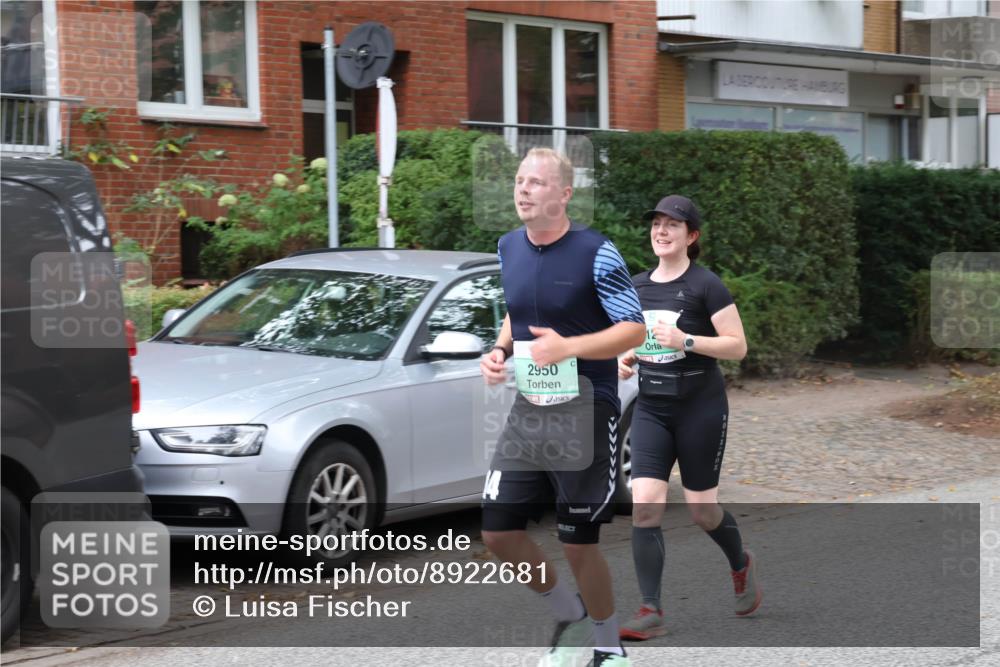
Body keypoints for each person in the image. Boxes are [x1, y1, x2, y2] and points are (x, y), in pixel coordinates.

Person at [480, 147, 646, 667]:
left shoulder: (596, 252)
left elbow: (634, 328)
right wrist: (500, 349)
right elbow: (517, 313)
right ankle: (569, 615)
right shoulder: (509, 247)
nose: (523, 190)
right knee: (498, 532)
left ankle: (607, 647)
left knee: (577, 541)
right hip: (530, 406)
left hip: (586, 408)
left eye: (536, 182)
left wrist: (570, 347)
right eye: (519, 180)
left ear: (564, 194)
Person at [616, 195, 760, 642]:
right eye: (656, 223)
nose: (661, 231)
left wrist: (687, 340)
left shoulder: (706, 286)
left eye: (672, 225)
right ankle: (650, 610)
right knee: (645, 510)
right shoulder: (636, 286)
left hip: (700, 407)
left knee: (701, 511)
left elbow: (737, 346)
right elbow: (630, 343)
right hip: (652, 409)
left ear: (690, 236)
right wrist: (624, 356)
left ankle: (740, 562)